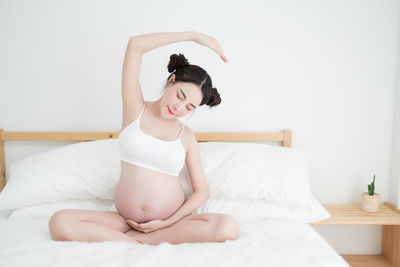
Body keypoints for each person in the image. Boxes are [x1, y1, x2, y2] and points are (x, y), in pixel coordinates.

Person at [48, 31, 239, 245]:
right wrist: (194, 37)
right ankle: (137, 240)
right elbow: (135, 45)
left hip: (171, 224)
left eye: (189, 107)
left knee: (227, 226)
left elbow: (201, 192)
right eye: (180, 96)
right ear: (171, 80)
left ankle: (146, 239)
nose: (179, 108)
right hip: (125, 221)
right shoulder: (134, 109)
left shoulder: (186, 137)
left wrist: (166, 223)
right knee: (59, 222)